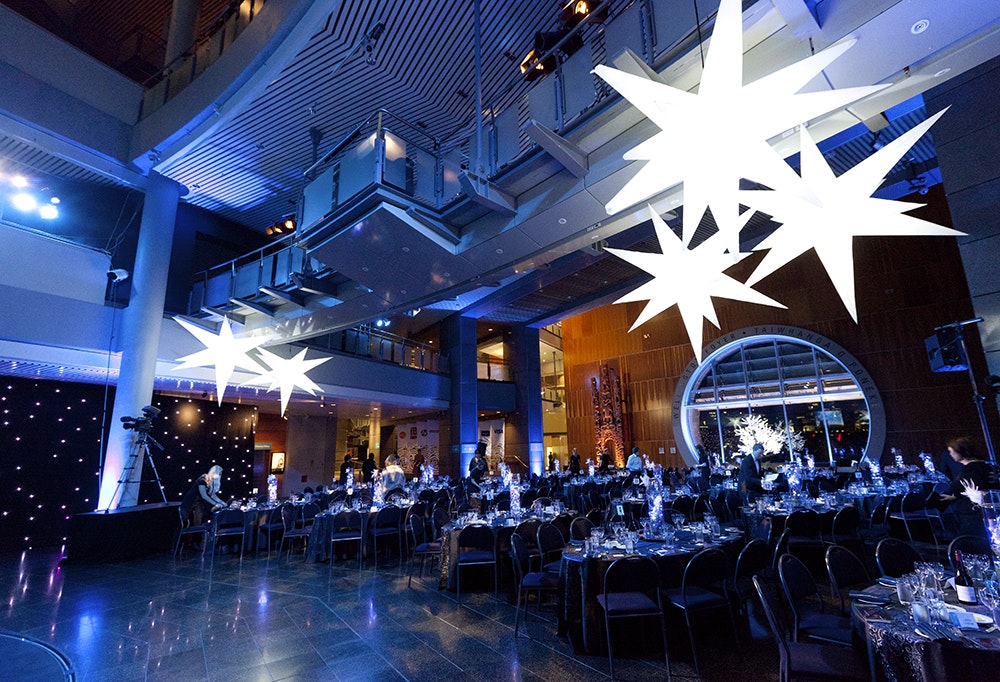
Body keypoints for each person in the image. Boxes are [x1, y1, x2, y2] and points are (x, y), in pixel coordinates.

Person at [939, 437, 993, 537]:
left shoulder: (971, 470)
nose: (950, 454)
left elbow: (981, 492)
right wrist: (955, 497)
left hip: (974, 517)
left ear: (960, 451)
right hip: (975, 514)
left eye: (951, 451)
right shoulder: (981, 466)